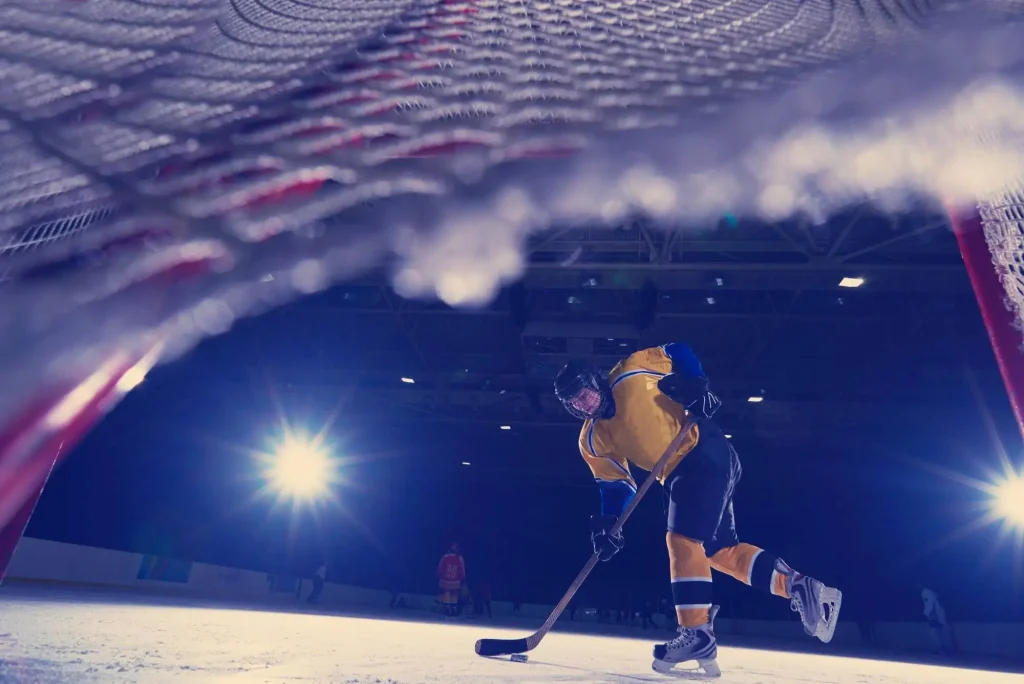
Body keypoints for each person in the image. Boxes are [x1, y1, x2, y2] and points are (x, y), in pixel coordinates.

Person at [554, 344, 842, 677]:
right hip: (680, 475)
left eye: (585, 393)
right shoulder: (592, 440)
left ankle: (697, 633)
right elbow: (617, 485)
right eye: (575, 401)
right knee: (720, 552)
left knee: (682, 541)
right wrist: (609, 525)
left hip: (701, 450)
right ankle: (797, 586)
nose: (584, 403)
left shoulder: (631, 373)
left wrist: (696, 384)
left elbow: (677, 350)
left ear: (596, 381)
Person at [921, 587, 955, 655]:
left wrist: (931, 615)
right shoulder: (933, 594)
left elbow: (930, 605)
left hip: (935, 616)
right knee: (937, 633)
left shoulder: (926, 593)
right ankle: (941, 649)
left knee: (934, 633)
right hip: (939, 616)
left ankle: (941, 649)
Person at [437, 542, 466, 619]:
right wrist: (463, 578)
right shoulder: (459, 557)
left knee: (446, 592)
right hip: (455, 581)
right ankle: (453, 609)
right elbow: (462, 569)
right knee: (454, 594)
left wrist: (440, 577)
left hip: (445, 580)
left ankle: (447, 609)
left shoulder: (444, 557)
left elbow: (440, 568)